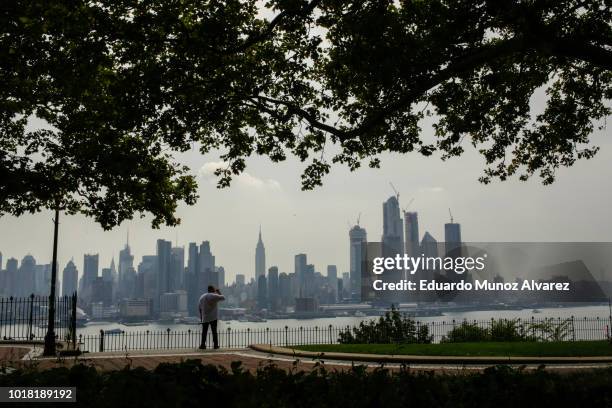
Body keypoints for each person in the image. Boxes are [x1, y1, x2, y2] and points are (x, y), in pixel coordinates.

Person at [198, 285, 225, 349]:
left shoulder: (202, 297)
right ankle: (215, 345)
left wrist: (201, 317)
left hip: (205, 317)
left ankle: (202, 345)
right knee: (214, 331)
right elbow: (223, 298)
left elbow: (199, 308)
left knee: (204, 332)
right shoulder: (214, 295)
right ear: (213, 290)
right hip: (213, 317)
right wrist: (218, 292)